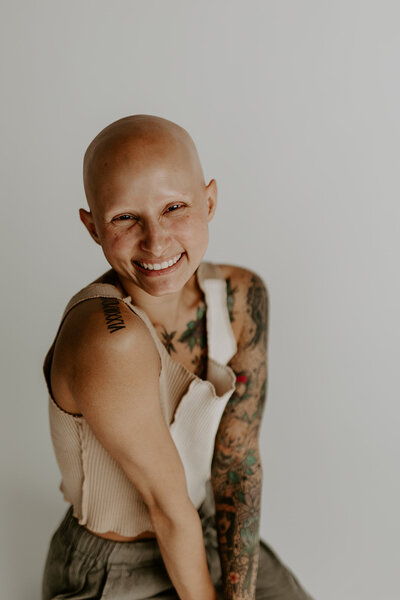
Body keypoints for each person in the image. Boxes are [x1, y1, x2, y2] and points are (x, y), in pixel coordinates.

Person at [41, 114, 314, 600]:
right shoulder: (110, 337)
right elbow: (166, 510)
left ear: (209, 202)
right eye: (124, 217)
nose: (157, 240)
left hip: (201, 529)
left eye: (175, 207)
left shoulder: (240, 297)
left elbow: (237, 464)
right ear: (91, 226)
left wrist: (240, 594)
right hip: (113, 567)